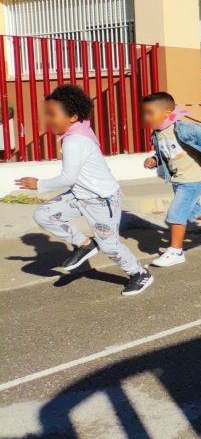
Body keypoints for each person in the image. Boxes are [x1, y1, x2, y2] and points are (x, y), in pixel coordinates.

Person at [17, 86, 152, 296]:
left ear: (72, 116)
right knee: (44, 214)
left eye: (52, 115)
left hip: (102, 200)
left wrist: (39, 184)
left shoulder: (75, 140)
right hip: (80, 195)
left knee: (109, 246)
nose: (48, 120)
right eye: (48, 114)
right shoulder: (79, 129)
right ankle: (85, 245)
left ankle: (139, 274)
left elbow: (68, 178)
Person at [142, 92, 201, 267]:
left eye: (150, 113)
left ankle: (176, 251)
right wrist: (155, 160)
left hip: (195, 177)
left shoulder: (186, 129)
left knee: (177, 212)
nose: (146, 117)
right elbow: (165, 153)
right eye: (145, 113)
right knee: (193, 211)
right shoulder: (157, 134)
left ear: (166, 113)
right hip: (178, 178)